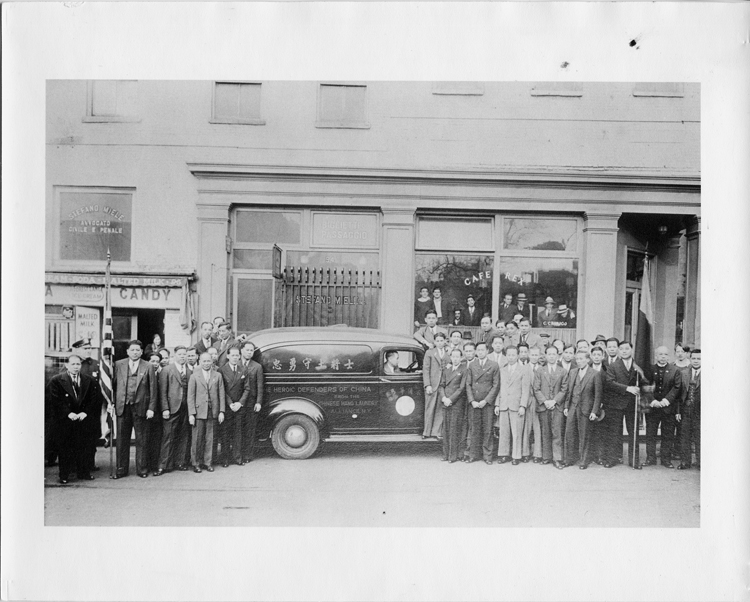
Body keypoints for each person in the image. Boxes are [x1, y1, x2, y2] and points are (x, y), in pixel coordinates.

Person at [46, 354, 99, 484]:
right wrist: (67, 413)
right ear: (67, 365)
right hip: (65, 421)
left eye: (78, 364)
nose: (76, 367)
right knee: (65, 448)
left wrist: (85, 413)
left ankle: (84, 473)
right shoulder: (57, 380)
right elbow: (53, 400)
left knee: (84, 447)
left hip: (82, 420)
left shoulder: (89, 380)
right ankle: (64, 475)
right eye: (73, 364)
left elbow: (94, 399)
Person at [112, 340, 157, 479]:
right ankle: (121, 469)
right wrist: (112, 402)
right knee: (121, 440)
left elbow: (153, 389)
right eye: (132, 350)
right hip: (123, 407)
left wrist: (151, 408)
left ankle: (142, 469)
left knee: (141, 440)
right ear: (127, 351)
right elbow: (113, 386)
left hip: (141, 407)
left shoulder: (148, 366)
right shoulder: (118, 364)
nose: (135, 352)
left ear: (142, 352)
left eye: (138, 350)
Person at [602, 340, 643, 469]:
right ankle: (612, 458)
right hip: (616, 404)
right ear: (619, 351)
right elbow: (609, 382)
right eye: (622, 349)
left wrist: (640, 388)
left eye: (627, 348)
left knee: (633, 432)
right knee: (614, 432)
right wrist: (627, 388)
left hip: (632, 404)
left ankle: (634, 460)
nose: (624, 351)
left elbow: (645, 381)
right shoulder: (613, 366)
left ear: (631, 350)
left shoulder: (638, 366)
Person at [154, 345, 191, 475]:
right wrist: (164, 408)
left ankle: (179, 462)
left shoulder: (189, 371)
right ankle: (163, 465)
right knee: (168, 437)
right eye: (180, 354)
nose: (183, 356)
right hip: (171, 408)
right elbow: (162, 392)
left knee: (183, 436)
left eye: (184, 354)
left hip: (186, 409)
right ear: (174, 356)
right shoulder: (167, 370)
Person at [644, 345, 683, 468]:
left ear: (669, 356)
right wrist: (653, 401)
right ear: (656, 356)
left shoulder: (675, 370)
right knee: (650, 434)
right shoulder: (649, 369)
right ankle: (650, 458)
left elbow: (677, 387)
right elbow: (645, 386)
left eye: (665, 354)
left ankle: (666, 459)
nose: (663, 356)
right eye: (660, 354)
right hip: (652, 407)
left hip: (668, 407)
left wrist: (666, 400)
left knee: (668, 434)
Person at [563, 351, 603, 469]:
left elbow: (598, 395)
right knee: (569, 434)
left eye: (581, 359)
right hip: (572, 408)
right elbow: (569, 391)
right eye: (577, 359)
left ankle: (583, 460)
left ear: (587, 359)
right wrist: (566, 406)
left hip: (586, 410)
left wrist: (594, 411)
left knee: (584, 435)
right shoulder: (573, 372)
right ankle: (569, 459)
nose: (579, 361)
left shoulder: (595, 374)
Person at [187, 352, 226, 473]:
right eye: (204, 361)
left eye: (208, 361)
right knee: (197, 438)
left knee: (210, 438)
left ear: (212, 362)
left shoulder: (217, 375)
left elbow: (221, 394)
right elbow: (190, 396)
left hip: (212, 411)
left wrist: (221, 411)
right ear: (200, 361)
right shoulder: (194, 376)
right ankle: (196, 463)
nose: (206, 363)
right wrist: (191, 414)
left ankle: (208, 462)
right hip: (199, 411)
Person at [533, 345, 570, 468]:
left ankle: (557, 458)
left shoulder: (563, 371)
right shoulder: (540, 370)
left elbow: (564, 389)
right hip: (544, 406)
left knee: (557, 432)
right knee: (545, 431)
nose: (551, 356)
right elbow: (536, 388)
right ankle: (546, 456)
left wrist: (554, 401)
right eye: (549, 354)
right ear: (545, 355)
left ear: (558, 355)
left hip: (557, 406)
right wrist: (545, 401)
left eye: (554, 354)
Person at [495, 346, 530, 465]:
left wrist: (523, 406)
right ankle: (503, 454)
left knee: (516, 432)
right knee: (503, 432)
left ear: (518, 355)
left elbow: (526, 390)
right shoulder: (502, 370)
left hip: (516, 405)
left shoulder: (524, 370)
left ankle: (516, 455)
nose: (511, 357)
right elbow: (499, 389)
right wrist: (497, 405)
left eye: (513, 355)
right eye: (508, 355)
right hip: (504, 404)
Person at [466, 342, 500, 464]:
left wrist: (486, 401)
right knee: (474, 429)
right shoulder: (472, 365)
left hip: (487, 403)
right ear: (476, 352)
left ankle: (487, 456)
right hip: (474, 403)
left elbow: (496, 386)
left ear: (487, 351)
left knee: (487, 430)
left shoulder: (494, 365)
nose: (480, 352)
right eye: (478, 350)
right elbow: (468, 385)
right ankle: (473, 454)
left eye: (482, 350)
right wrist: (472, 401)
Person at [218, 347, 251, 467]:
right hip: (228, 406)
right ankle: (225, 459)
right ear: (227, 356)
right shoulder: (222, 370)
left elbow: (247, 388)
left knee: (238, 433)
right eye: (233, 355)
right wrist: (230, 403)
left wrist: (240, 403)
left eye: (237, 355)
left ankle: (237, 457)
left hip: (239, 406)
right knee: (225, 433)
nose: (235, 358)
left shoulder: (243, 369)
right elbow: (222, 389)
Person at [437, 348, 468, 463]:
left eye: (457, 357)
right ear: (450, 357)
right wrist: (444, 398)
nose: (455, 359)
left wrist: (450, 399)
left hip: (456, 403)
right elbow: (441, 385)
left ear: (461, 358)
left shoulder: (464, 370)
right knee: (446, 430)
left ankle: (453, 456)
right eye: (453, 357)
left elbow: (461, 388)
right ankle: (445, 455)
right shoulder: (446, 370)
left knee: (454, 429)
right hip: (446, 402)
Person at [239, 341, 264, 463]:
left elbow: (260, 386)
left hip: (251, 402)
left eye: (251, 350)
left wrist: (258, 402)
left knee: (250, 429)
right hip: (238, 402)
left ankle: (248, 455)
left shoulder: (257, 366)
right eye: (247, 350)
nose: (249, 352)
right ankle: (238, 454)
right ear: (241, 350)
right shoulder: (236, 363)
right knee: (238, 429)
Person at [677, 349, 701, 470]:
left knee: (699, 436)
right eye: (694, 358)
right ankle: (685, 462)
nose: (696, 361)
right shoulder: (684, 373)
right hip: (686, 409)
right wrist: (678, 411)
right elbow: (678, 393)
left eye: (699, 358)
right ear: (690, 358)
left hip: (700, 410)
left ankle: (701, 462)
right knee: (684, 436)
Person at [422, 332, 449, 439]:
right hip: (432, 384)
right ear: (434, 342)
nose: (439, 343)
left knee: (440, 409)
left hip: (443, 385)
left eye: (441, 340)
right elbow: (426, 369)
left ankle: (436, 432)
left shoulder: (447, 354)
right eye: (437, 341)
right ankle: (426, 432)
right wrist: (427, 384)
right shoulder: (429, 353)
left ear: (445, 341)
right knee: (429, 408)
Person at [522, 346, 543, 463]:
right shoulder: (523, 368)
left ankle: (537, 453)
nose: (534, 357)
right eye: (532, 355)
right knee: (526, 427)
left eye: (536, 355)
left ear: (539, 356)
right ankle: (525, 453)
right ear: (529, 355)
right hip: (527, 401)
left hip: (539, 402)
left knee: (537, 428)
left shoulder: (542, 368)